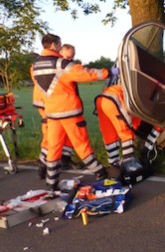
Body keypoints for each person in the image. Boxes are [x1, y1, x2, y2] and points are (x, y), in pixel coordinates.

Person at [31, 33, 108, 191]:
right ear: (53, 45)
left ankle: (51, 184)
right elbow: (84, 73)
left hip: (52, 113)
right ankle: (101, 173)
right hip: (70, 112)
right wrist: (107, 73)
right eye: (59, 45)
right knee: (82, 145)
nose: (60, 47)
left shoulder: (36, 66)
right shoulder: (60, 63)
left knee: (53, 149)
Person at [95, 66, 162, 178]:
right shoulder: (145, 101)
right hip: (115, 99)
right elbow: (132, 126)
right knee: (126, 132)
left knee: (109, 136)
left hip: (101, 99)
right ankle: (129, 163)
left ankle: (114, 166)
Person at [31, 45, 76, 178]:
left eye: (72, 56)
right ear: (60, 52)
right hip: (48, 104)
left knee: (68, 133)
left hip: (59, 105)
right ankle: (43, 163)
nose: (70, 59)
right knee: (50, 135)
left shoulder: (58, 64)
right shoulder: (52, 65)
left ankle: (64, 160)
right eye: (68, 56)